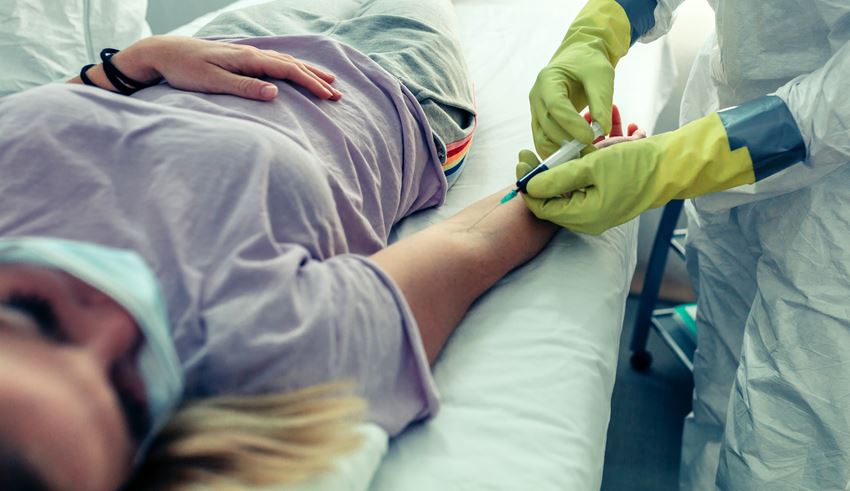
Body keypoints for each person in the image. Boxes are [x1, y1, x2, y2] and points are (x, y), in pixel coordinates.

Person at [0, 1, 644, 490]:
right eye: (133, 394)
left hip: (193, 54)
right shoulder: (272, 351)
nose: (121, 321)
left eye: (35, 314)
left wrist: (122, 68)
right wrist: (582, 170)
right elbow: (472, 240)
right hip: (389, 84)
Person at [522, 0, 850, 489]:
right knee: (719, 385)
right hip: (732, 122)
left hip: (833, 212)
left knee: (784, 460)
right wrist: (601, 26)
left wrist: (679, 162)